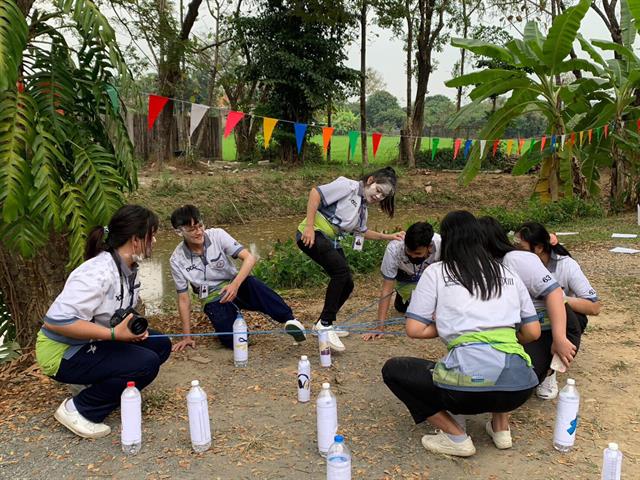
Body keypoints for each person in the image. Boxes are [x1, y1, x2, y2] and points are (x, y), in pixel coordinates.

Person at [382, 211, 541, 457]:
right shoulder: (508, 274)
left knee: (394, 370)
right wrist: (498, 331)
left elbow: (414, 329)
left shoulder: (437, 272)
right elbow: (532, 331)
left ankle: (456, 437)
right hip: (519, 389)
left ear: (445, 241)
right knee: (507, 353)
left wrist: (451, 324)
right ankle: (501, 429)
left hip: (465, 394)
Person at [35, 205, 171, 439]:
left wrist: (131, 327)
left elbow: (118, 311)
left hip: (91, 340)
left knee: (160, 345)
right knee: (146, 363)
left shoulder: (128, 267)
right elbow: (56, 322)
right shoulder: (97, 272)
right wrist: (115, 335)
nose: (155, 241)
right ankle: (79, 409)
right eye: (152, 235)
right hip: (62, 352)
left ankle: (97, 385)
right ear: (136, 240)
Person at [169, 205, 306, 352]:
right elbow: (183, 299)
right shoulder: (176, 260)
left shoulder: (217, 235)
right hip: (213, 297)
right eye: (192, 229)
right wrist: (187, 337)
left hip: (235, 284)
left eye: (200, 226)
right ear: (179, 232)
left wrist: (234, 285)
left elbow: (249, 258)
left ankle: (290, 320)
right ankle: (237, 324)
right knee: (236, 341)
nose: (199, 232)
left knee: (253, 284)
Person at [297, 167, 405, 351]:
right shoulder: (348, 186)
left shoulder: (363, 209)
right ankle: (325, 324)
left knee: (347, 283)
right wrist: (308, 227)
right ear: (370, 180)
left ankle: (321, 324)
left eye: (383, 196)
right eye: (378, 190)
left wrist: (389, 236)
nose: (379, 197)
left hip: (330, 239)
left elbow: (362, 232)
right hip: (312, 233)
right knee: (340, 272)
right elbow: (315, 193)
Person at [479, 216, 578, 400]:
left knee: (523, 379)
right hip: (527, 330)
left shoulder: (516, 259)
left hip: (552, 327)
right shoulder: (488, 266)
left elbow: (555, 293)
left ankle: (549, 371)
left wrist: (559, 339)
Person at [514, 221, 601, 399]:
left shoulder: (566, 265)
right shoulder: (516, 264)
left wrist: (558, 298)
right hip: (531, 322)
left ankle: (551, 370)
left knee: (570, 315)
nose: (515, 250)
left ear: (538, 248)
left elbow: (594, 306)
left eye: (520, 246)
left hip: (557, 322)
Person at [364, 221, 441, 341]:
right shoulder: (394, 248)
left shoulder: (441, 245)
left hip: (429, 277)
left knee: (429, 310)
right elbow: (387, 289)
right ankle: (403, 298)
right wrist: (380, 326)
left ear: (429, 247)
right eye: (408, 252)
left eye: (418, 253)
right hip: (405, 276)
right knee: (403, 308)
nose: (413, 256)